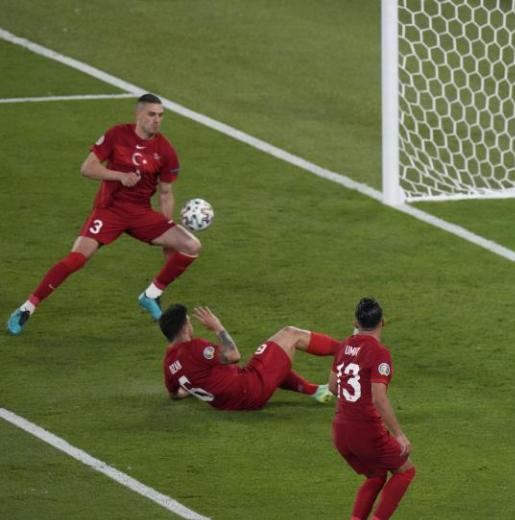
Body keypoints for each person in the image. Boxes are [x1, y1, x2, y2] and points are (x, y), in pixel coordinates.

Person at [8, 93, 200, 335]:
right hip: (110, 210)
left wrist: (166, 224)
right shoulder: (117, 135)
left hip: (141, 213)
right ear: (138, 114)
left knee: (191, 245)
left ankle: (151, 294)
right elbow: (87, 168)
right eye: (151, 114)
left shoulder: (165, 150)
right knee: (77, 258)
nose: (156, 120)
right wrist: (120, 176)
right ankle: (28, 307)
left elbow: (166, 193)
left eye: (161, 116)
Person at [330, 297, 415, 520]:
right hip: (365, 430)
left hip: (340, 430)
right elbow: (379, 397)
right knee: (405, 470)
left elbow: (334, 387)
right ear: (383, 321)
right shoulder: (380, 352)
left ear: (355, 322)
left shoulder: (344, 346)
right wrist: (399, 435)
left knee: (376, 475)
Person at [160, 305, 338, 410]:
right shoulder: (194, 348)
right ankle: (347, 349)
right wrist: (217, 327)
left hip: (229, 404)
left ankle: (315, 391)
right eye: (189, 322)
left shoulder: (168, 364)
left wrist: (193, 388)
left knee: (272, 359)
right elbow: (233, 355)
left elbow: (174, 394)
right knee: (290, 334)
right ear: (184, 329)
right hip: (249, 390)